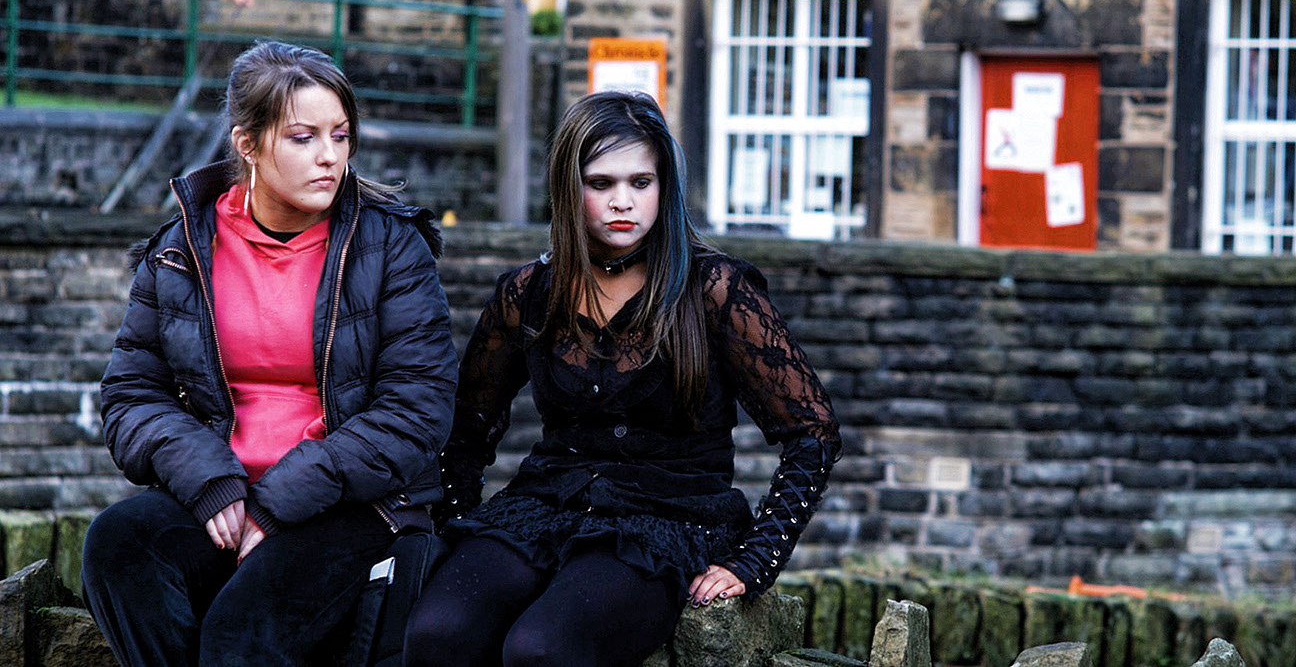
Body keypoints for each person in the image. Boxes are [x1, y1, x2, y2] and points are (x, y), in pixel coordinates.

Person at [403, 91, 842, 666]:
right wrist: (457, 523)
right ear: (569, 188)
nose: (622, 202)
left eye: (641, 182)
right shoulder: (529, 292)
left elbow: (813, 432)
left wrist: (756, 559)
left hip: (668, 524)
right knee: (436, 636)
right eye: (601, 183)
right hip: (542, 507)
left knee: (540, 650)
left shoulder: (714, 290)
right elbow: (466, 427)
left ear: (664, 186)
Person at [82, 40, 459, 667]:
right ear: (248, 144)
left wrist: (282, 499)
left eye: (341, 136)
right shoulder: (181, 249)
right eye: (304, 138)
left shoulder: (392, 247)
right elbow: (131, 396)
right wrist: (210, 481)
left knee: (241, 634)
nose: (330, 157)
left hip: (354, 502)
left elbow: (417, 410)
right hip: (224, 491)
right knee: (119, 545)